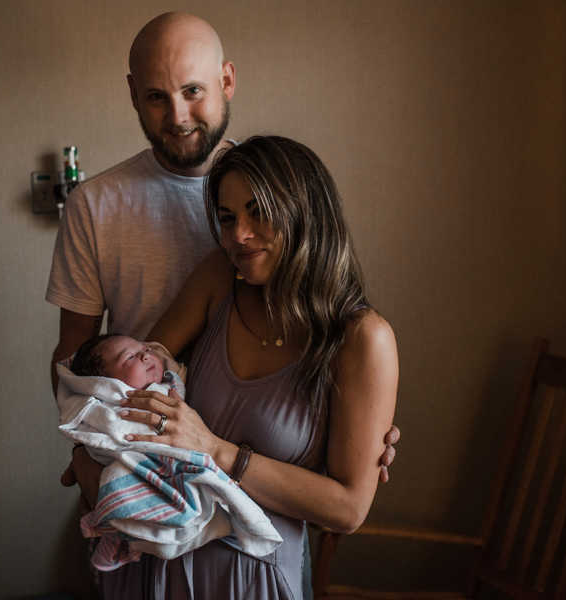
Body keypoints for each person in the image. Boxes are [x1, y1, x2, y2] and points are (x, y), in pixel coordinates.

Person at [47, 11, 399, 596]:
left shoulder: (356, 334)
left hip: (257, 568)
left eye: (193, 91)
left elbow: (346, 500)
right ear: (133, 94)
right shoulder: (182, 256)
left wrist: (364, 428)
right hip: (147, 535)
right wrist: (93, 449)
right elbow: (87, 365)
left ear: (227, 82)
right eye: (157, 97)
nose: (238, 235)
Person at [56, 334, 281, 572]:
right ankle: (121, 534)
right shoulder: (107, 404)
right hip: (135, 460)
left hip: (176, 465)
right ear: (104, 382)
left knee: (192, 496)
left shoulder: (169, 386)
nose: (146, 354)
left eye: (145, 348)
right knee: (116, 477)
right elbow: (107, 433)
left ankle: (131, 536)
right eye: (130, 356)